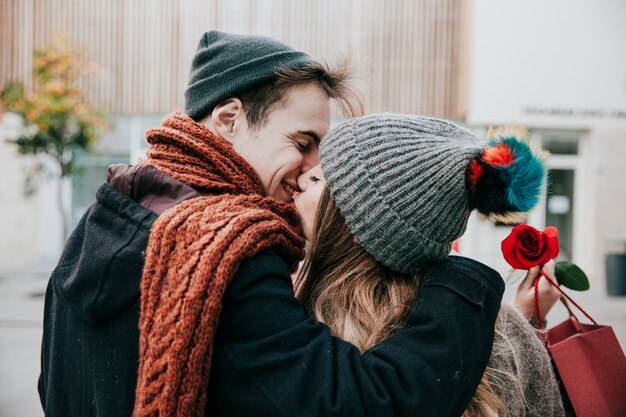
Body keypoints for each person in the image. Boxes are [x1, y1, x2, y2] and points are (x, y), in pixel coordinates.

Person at [39, 31, 504, 417]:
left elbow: (53, 389)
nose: (310, 169)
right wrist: (460, 286)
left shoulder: (105, 218)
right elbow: (361, 403)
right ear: (229, 119)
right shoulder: (226, 253)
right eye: (303, 142)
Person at [291, 114, 565, 417]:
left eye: (317, 179)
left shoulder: (307, 323)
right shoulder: (499, 329)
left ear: (361, 227)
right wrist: (525, 324)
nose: (301, 180)